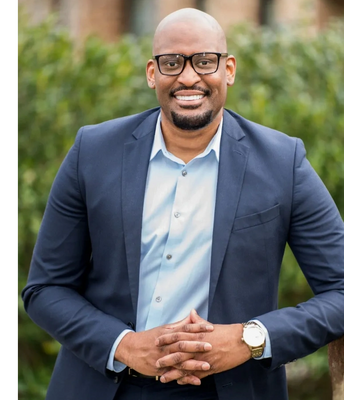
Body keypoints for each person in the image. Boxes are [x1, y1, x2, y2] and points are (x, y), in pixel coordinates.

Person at [21, 7, 344, 400]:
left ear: (228, 70)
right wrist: (125, 346)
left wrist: (250, 338)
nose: (188, 77)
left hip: (231, 389)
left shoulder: (282, 162)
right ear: (152, 73)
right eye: (172, 62)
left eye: (204, 61)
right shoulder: (93, 152)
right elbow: (45, 288)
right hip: (106, 385)